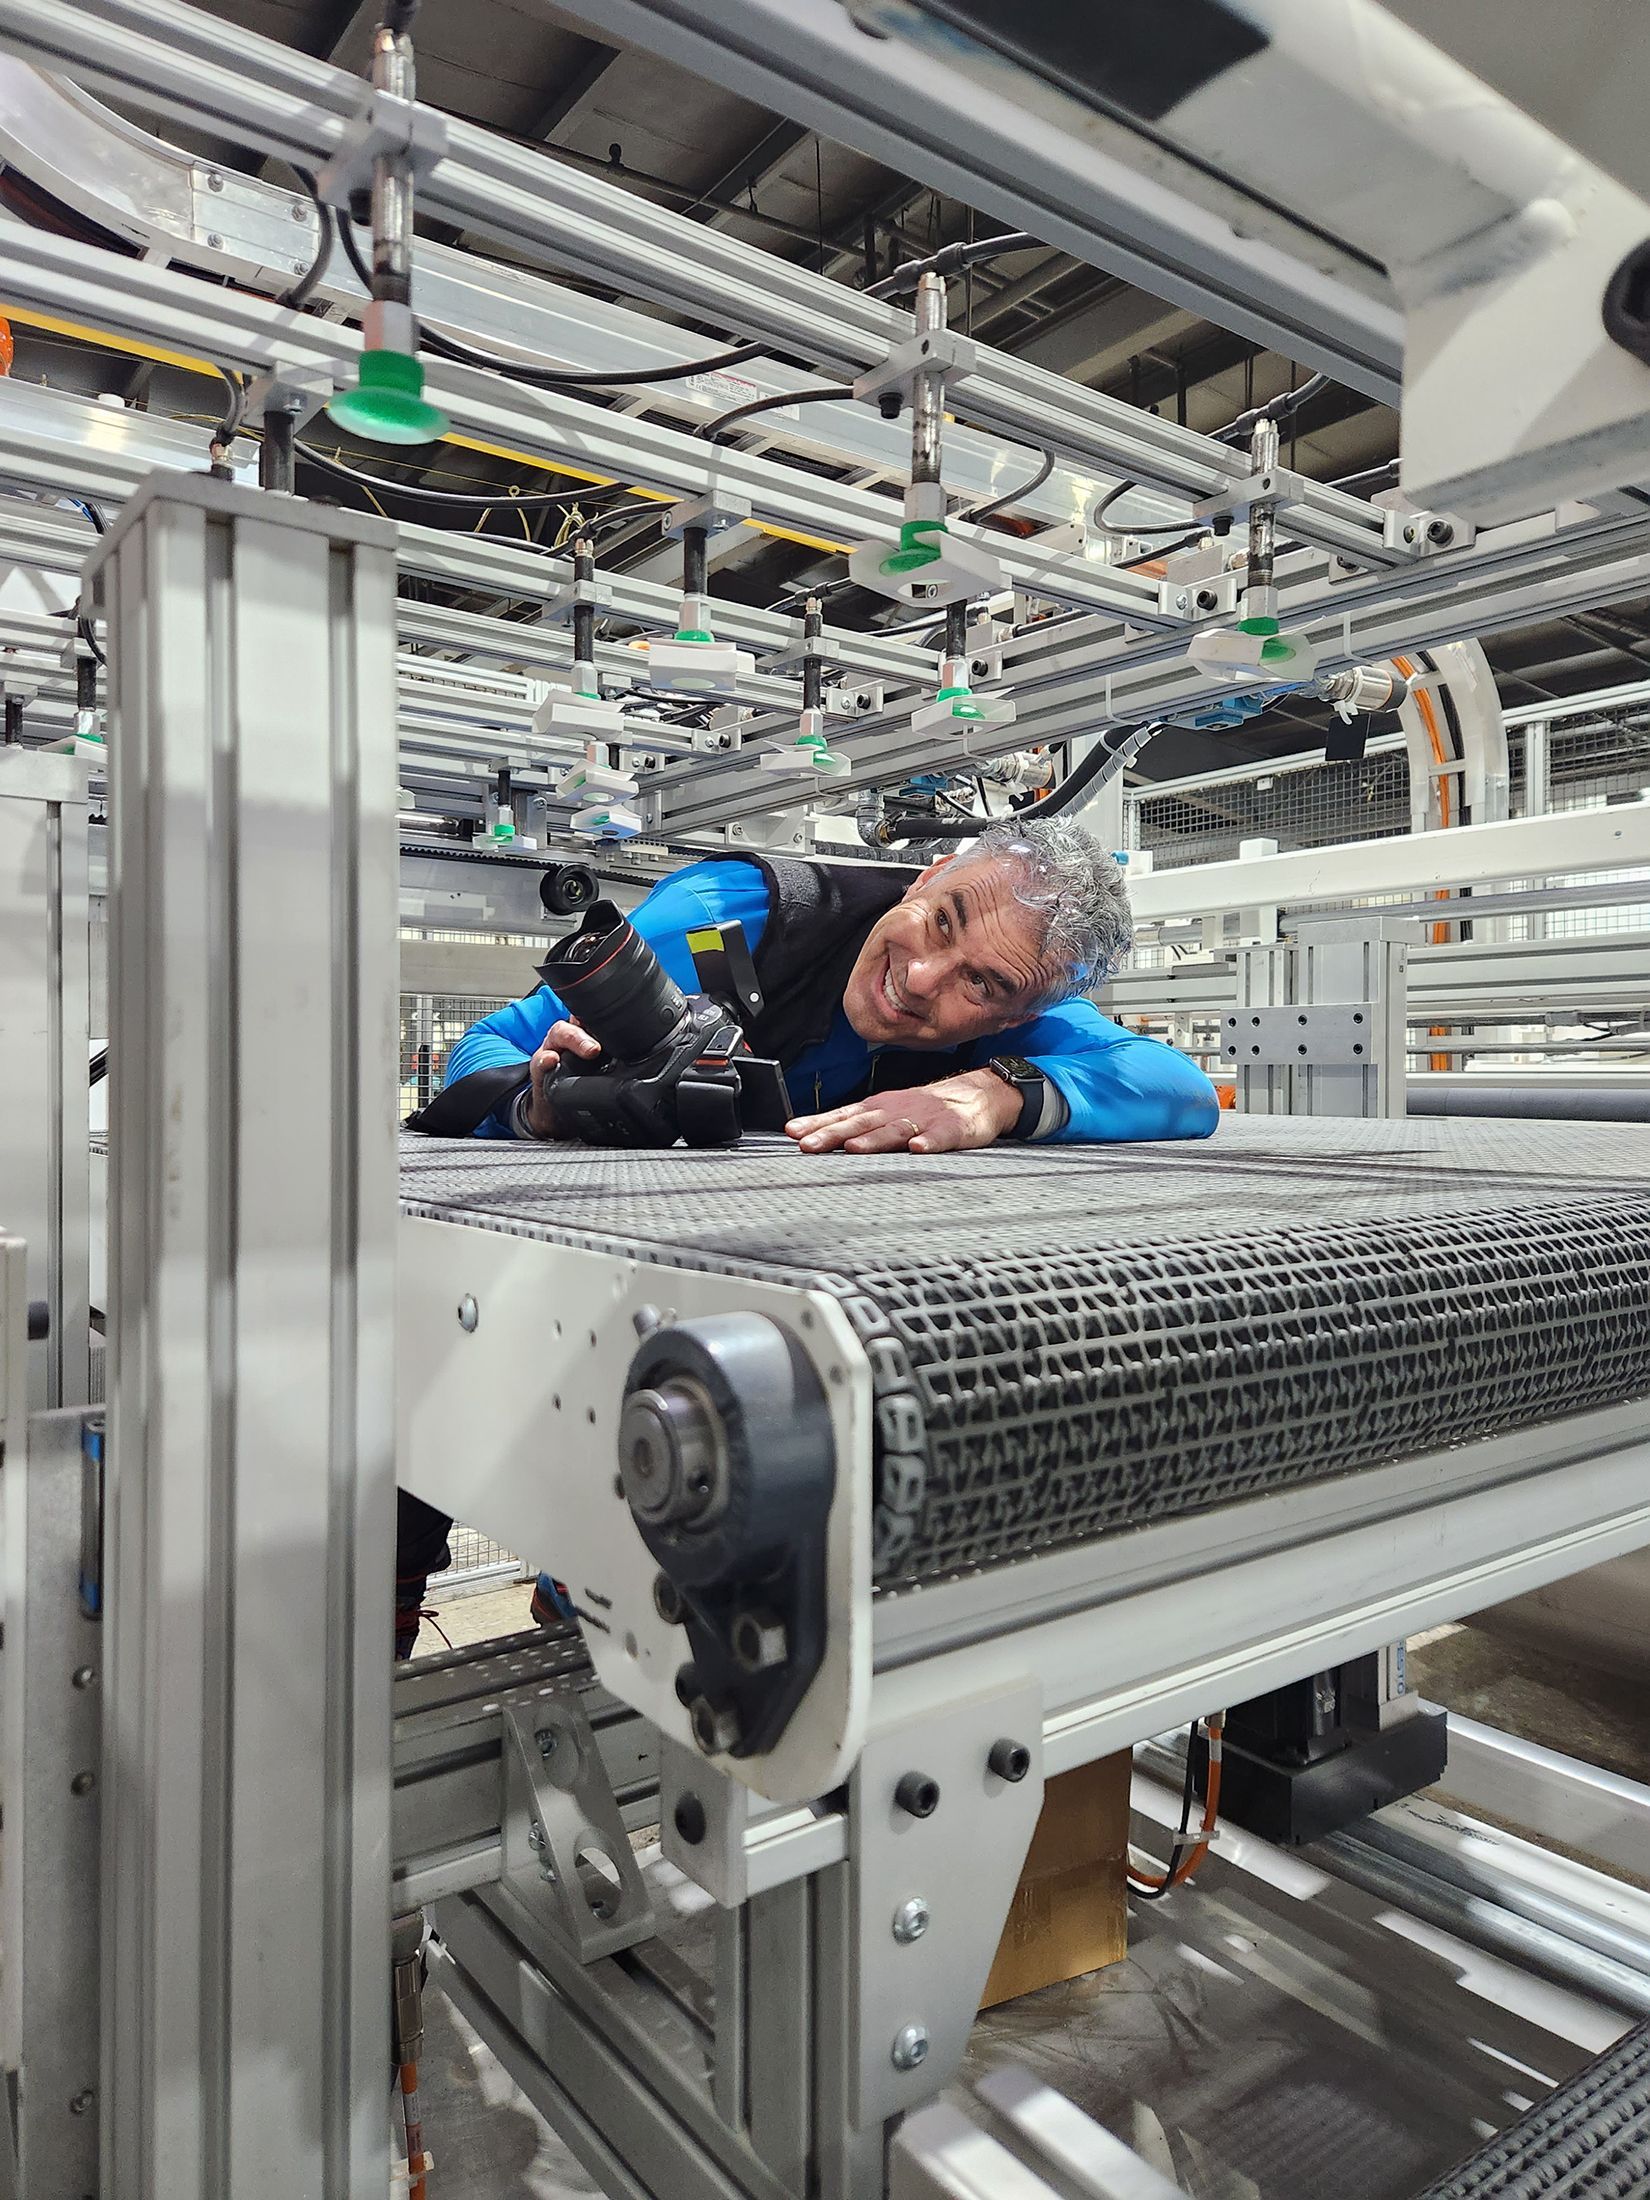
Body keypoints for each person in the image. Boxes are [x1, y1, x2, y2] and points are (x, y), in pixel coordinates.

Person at [395, 818, 1217, 1653]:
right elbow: (484, 1045)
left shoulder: (1014, 1016)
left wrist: (999, 1095)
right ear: (929, 873)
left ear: (1026, 1012)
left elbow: (1181, 1090)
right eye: (941, 921)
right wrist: (537, 1105)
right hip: (587, 1274)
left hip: (760, 1305)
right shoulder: (734, 917)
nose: (924, 978)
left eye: (981, 985)